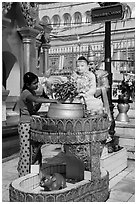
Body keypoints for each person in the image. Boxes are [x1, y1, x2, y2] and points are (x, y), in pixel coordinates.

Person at [17, 72, 59, 177]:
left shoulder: (31, 92)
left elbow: (34, 108)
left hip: (31, 123)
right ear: (27, 85)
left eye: (37, 83)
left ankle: (34, 173)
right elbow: (35, 100)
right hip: (25, 125)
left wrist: (42, 101)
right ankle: (23, 174)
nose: (37, 85)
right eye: (34, 83)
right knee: (26, 151)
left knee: (35, 150)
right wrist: (52, 100)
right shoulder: (26, 93)